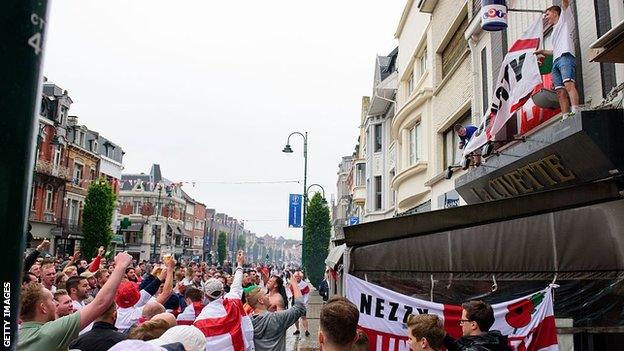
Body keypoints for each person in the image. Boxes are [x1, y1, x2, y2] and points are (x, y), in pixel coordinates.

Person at [17, 251, 133, 351]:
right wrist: (121, 265)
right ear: (42, 307)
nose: (56, 303)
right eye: (52, 300)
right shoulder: (48, 333)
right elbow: (101, 303)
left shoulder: (14, 336)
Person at [193, 250, 254, 350]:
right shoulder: (233, 302)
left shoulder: (200, 320)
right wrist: (239, 263)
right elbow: (236, 284)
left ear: (205, 295)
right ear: (222, 291)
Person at [536, 0, 579, 117]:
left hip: (565, 57)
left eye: (548, 14)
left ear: (555, 13)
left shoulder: (565, 20)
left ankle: (576, 111)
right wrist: (543, 51)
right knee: (560, 92)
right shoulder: (554, 30)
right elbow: (555, 50)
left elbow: (565, 3)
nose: (546, 18)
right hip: (556, 61)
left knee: (568, 85)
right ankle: (565, 116)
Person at [248, 274, 306, 351]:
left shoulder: (248, 321)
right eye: (265, 295)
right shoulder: (276, 318)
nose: (268, 296)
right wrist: (295, 284)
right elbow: (300, 308)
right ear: (261, 301)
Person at [443, 300, 511, 351]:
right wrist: (444, 337)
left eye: (463, 321)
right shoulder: (495, 342)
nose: (461, 324)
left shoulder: (477, 348)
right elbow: (461, 346)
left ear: (473, 325)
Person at [290, 271, 310, 336]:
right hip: (294, 301)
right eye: (295, 277)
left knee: (303, 317)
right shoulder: (292, 284)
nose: (297, 278)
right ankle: (297, 329)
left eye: (298, 276)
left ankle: (306, 330)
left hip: (302, 302)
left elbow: (306, 294)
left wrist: (305, 302)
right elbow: (290, 293)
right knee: (295, 317)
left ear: (301, 277)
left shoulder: (304, 284)